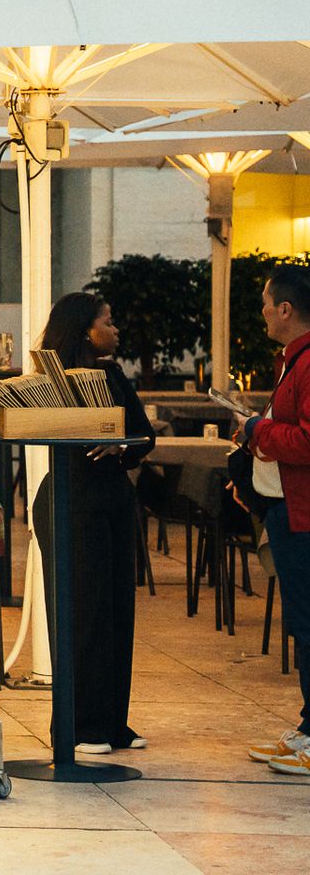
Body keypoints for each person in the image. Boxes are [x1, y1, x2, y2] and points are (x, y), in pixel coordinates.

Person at [30, 292, 155, 755]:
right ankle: (78, 725)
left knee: (118, 610)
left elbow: (146, 435)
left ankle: (111, 721)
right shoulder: (51, 382)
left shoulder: (115, 375)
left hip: (114, 499)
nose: (115, 328)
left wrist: (122, 445)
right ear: (86, 329)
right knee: (82, 612)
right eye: (108, 320)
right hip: (70, 498)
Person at [235, 264, 310, 776]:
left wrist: (258, 431)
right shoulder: (293, 361)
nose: (262, 311)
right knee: (302, 623)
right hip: (287, 507)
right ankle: (308, 727)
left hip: (303, 513)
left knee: (309, 623)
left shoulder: (307, 363)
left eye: (266, 303)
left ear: (285, 309)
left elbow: (306, 440)